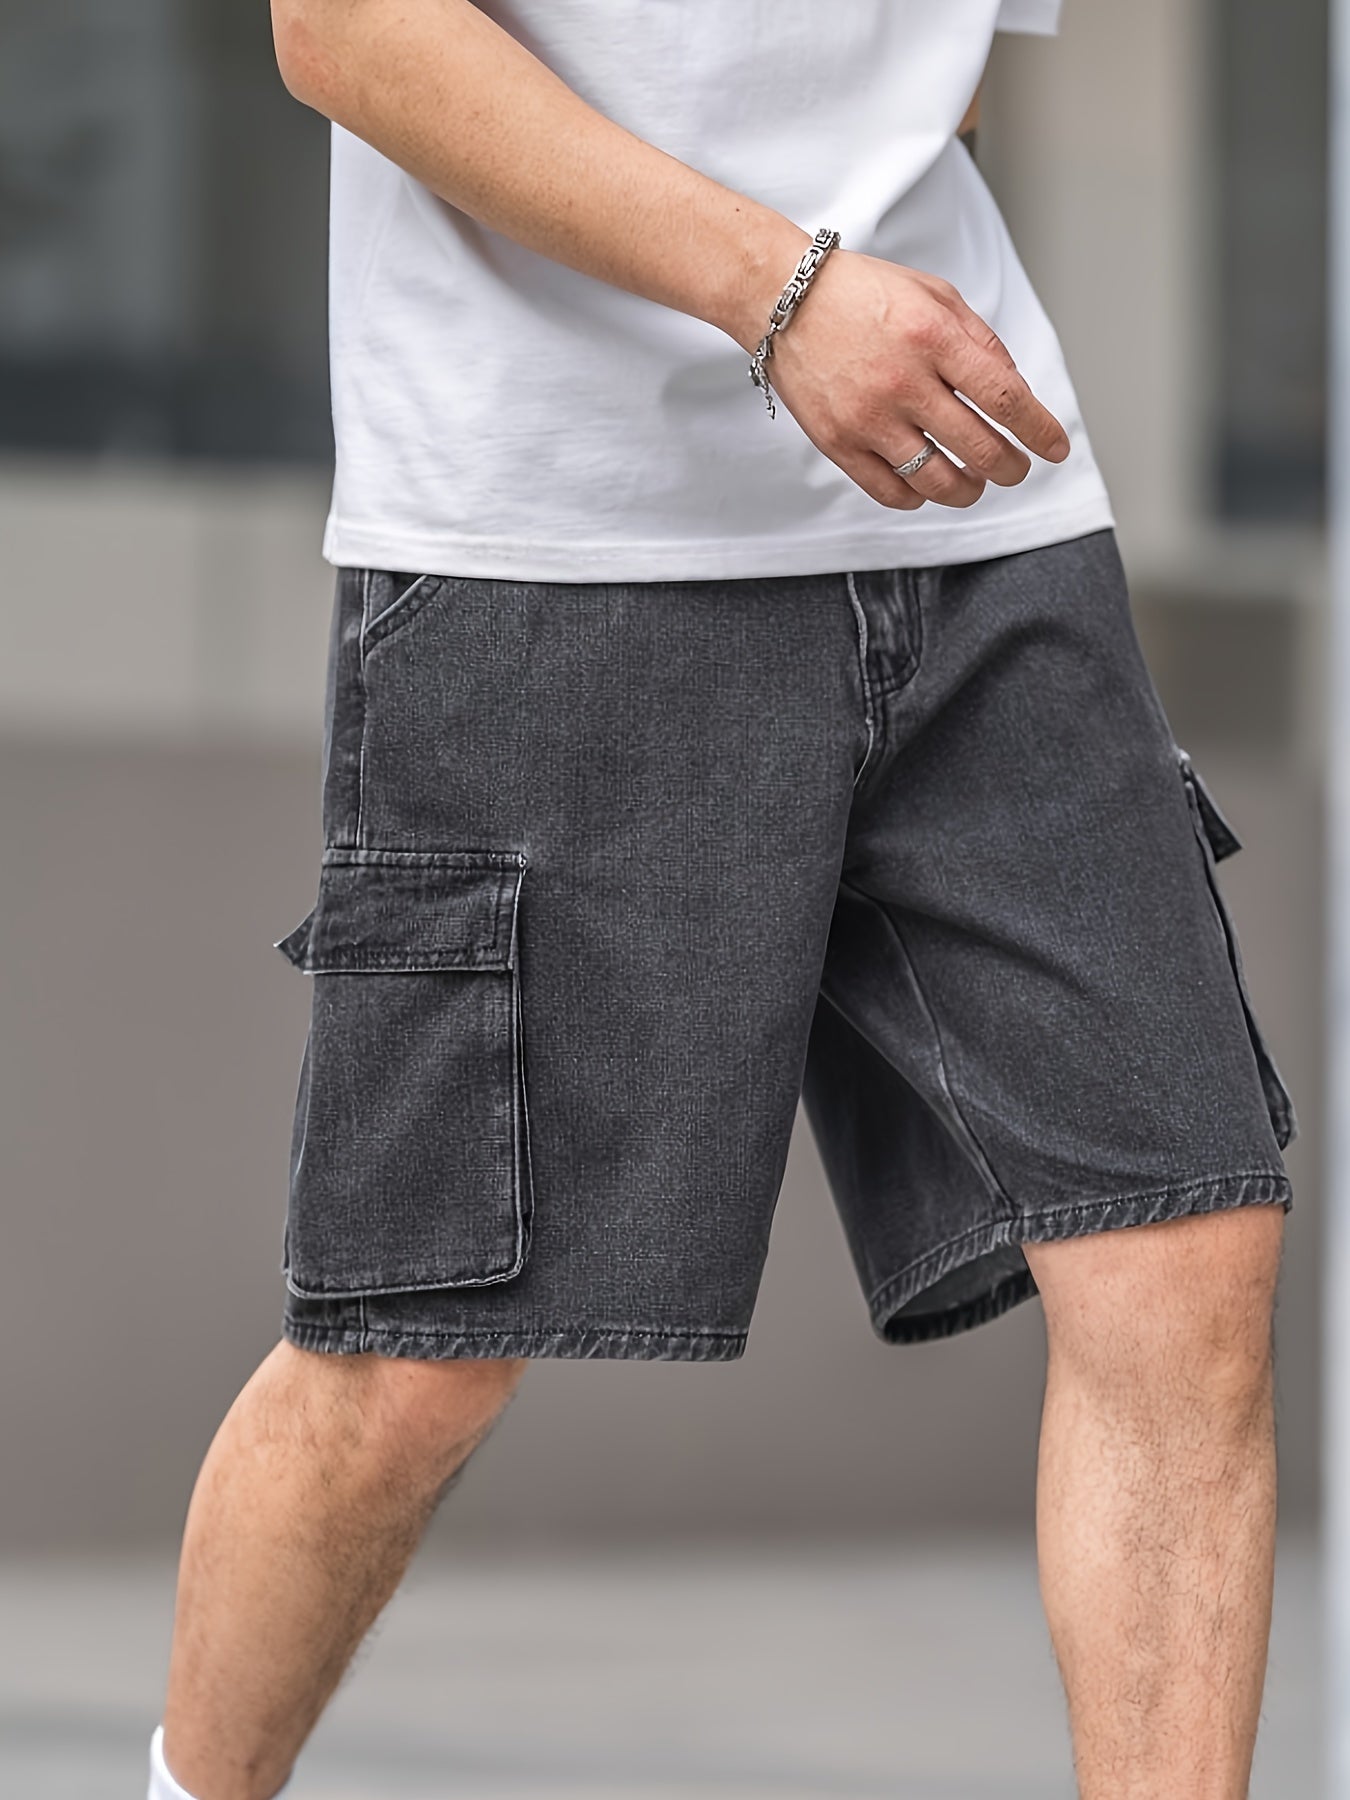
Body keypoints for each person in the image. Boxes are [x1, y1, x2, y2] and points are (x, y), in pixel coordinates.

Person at [148, 2, 1297, 1796]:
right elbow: (347, 28)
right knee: (417, 1359)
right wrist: (784, 294)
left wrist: (866, 321)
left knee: (1183, 1248)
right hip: (554, 537)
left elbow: (931, 82)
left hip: (974, 518)